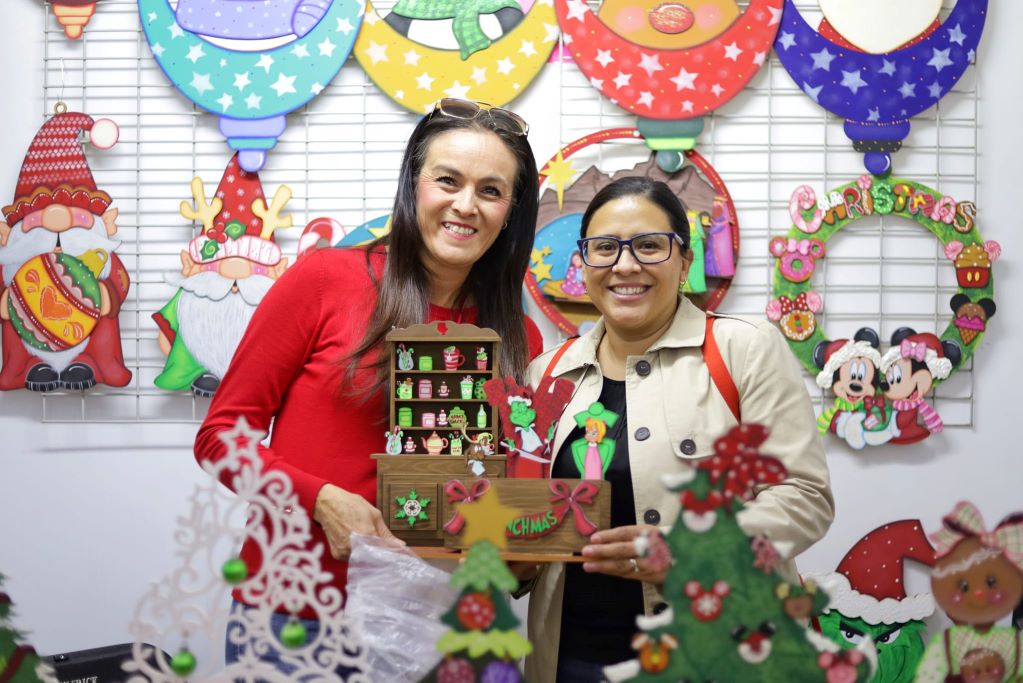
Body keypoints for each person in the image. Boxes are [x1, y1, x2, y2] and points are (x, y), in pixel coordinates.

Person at [193, 98, 545, 672]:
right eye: (447, 180)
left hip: (449, 625)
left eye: (490, 190)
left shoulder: (518, 335)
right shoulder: (326, 280)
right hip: (298, 619)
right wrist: (321, 499)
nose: (465, 205)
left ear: (511, 210)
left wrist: (523, 549)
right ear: (414, 185)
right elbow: (219, 439)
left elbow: (499, 483)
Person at [518, 177, 834, 682]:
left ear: (685, 261)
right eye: (604, 248)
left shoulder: (743, 349)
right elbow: (533, 514)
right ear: (584, 262)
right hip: (574, 657)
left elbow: (803, 497)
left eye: (648, 246)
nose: (625, 265)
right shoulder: (547, 373)